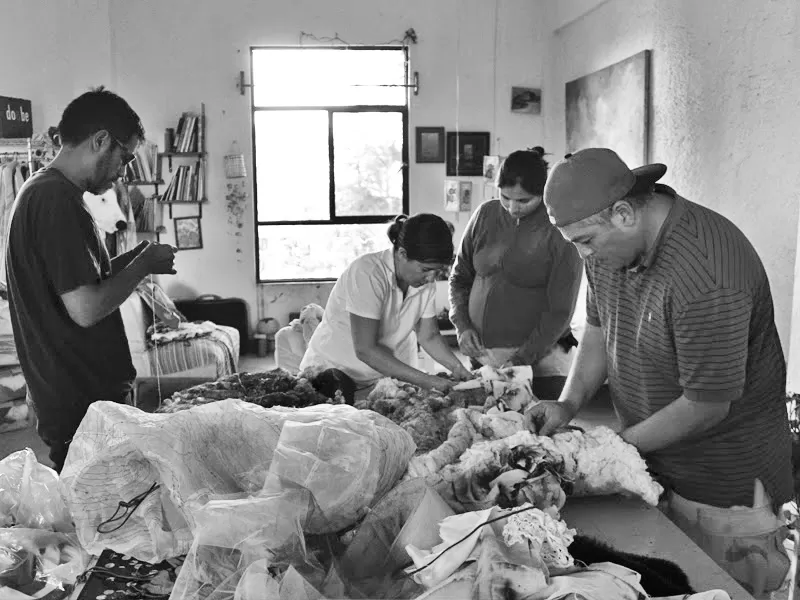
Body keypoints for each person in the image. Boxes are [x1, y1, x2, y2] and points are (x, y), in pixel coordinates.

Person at [529, 147, 793, 596]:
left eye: (586, 241)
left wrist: (608, 451)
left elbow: (706, 405)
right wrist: (569, 404)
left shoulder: (707, 272)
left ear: (624, 213)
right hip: (654, 464)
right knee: (667, 584)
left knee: (723, 591)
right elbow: (597, 331)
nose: (582, 255)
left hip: (720, 484)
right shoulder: (606, 249)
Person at [5, 88, 177, 472]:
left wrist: (135, 258)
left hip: (72, 394)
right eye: (126, 156)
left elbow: (78, 284)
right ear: (100, 140)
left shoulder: (41, 191)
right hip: (80, 399)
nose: (124, 171)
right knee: (111, 521)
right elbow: (85, 308)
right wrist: (142, 265)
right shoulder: (57, 200)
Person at [448, 147, 583, 396]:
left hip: (543, 363)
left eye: (523, 200)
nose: (512, 207)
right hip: (483, 357)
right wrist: (462, 325)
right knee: (484, 429)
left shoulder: (560, 228)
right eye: (505, 197)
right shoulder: (485, 215)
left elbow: (560, 310)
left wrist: (523, 357)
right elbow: (459, 278)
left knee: (537, 432)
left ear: (544, 193)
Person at [300, 213, 473, 393]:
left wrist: (457, 368)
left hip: (374, 379)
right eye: (426, 270)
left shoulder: (425, 284)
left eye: (437, 271)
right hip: (329, 376)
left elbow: (428, 336)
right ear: (402, 254)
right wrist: (428, 381)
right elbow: (365, 349)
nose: (431, 278)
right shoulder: (368, 273)